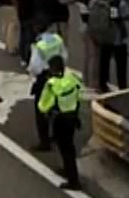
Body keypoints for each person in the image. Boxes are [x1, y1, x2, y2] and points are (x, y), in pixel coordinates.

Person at [34, 55, 85, 189]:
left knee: (64, 148)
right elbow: (80, 93)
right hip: (72, 117)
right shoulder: (72, 78)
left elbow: (43, 105)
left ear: (51, 69)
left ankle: (73, 181)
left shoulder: (51, 84)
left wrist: (44, 109)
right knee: (69, 146)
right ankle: (68, 170)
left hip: (59, 119)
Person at [27, 26, 69, 151]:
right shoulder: (57, 39)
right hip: (58, 76)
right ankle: (57, 135)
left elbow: (35, 67)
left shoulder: (39, 45)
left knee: (41, 109)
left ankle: (44, 142)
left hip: (44, 78)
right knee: (57, 107)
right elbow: (65, 56)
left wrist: (32, 72)